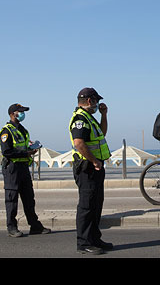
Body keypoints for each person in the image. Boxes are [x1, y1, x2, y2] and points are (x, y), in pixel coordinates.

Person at [69, 87, 112, 255]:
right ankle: (84, 242)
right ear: (89, 101)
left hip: (96, 167)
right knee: (87, 206)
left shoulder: (89, 118)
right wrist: (94, 160)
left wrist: (104, 115)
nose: (98, 104)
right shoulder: (80, 118)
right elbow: (79, 143)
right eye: (96, 101)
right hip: (87, 168)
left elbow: (102, 133)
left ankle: (94, 238)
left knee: (96, 204)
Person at [0, 103, 51, 238]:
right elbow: (7, 151)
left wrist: (31, 147)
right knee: (12, 200)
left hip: (23, 168)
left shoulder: (23, 130)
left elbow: (22, 145)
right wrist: (26, 152)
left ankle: (35, 226)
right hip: (12, 169)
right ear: (12, 114)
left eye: (23, 111)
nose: (22, 114)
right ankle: (12, 227)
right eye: (20, 112)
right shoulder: (6, 131)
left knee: (29, 198)